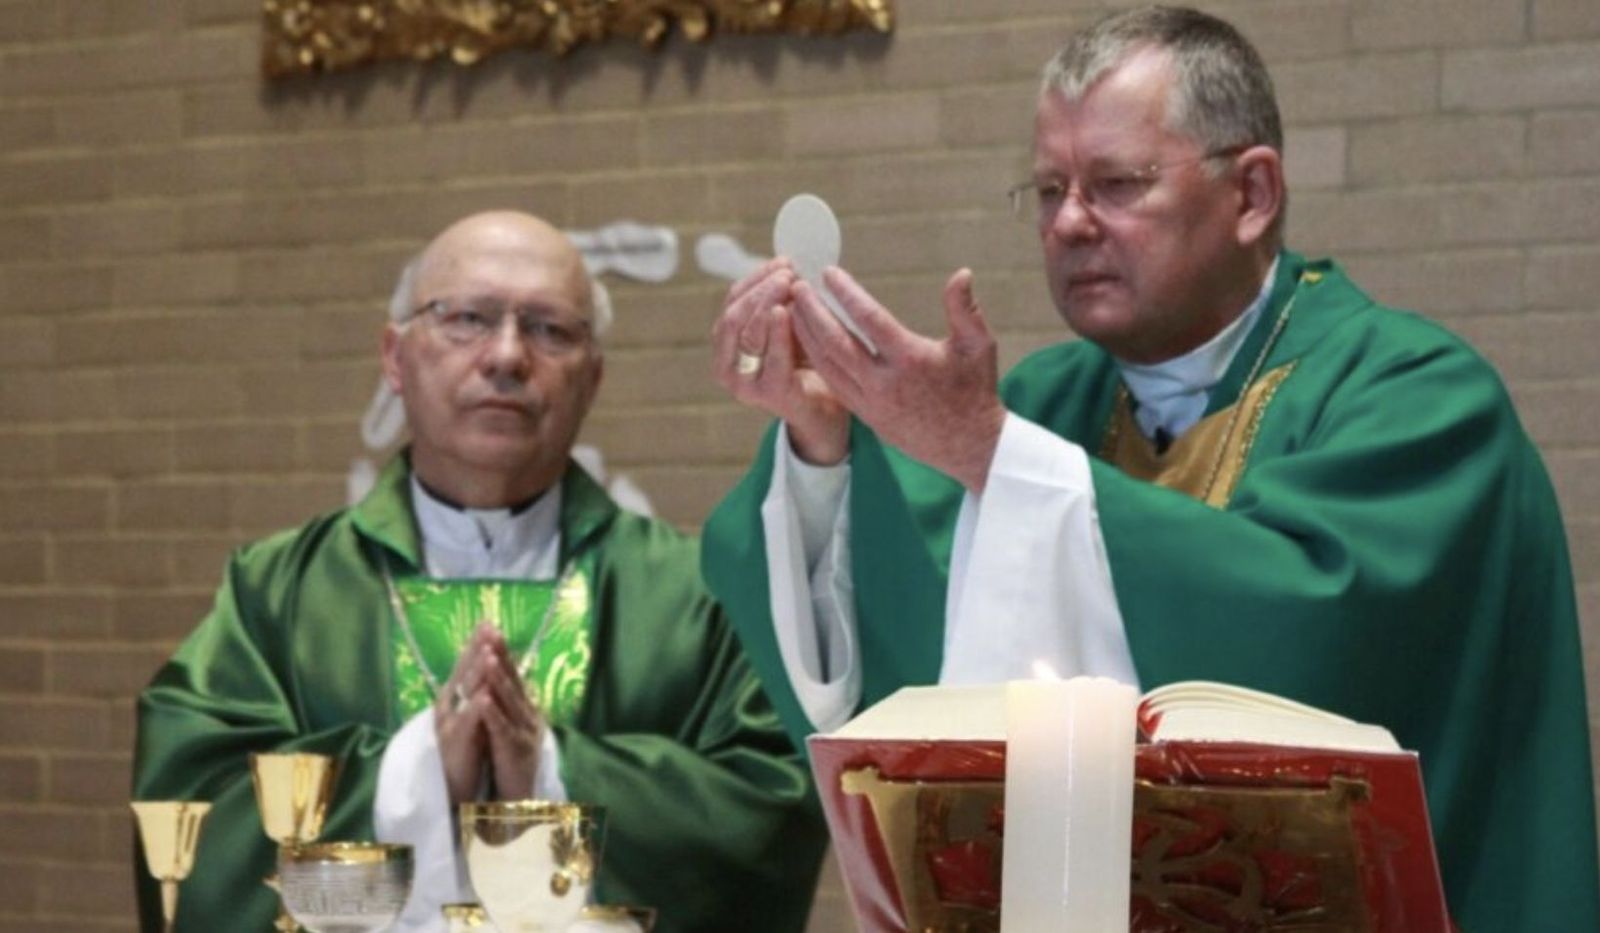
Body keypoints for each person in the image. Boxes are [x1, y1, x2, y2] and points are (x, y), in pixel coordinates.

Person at [701, 7, 1598, 930]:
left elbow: (1318, 640)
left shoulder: (1419, 397)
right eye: (1049, 191)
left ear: (1252, 194)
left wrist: (982, 449)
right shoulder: (1047, 406)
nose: (1071, 223)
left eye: (1117, 184)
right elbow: (917, 661)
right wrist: (823, 444)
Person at [132, 211, 827, 933]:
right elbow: (191, 825)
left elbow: (768, 819)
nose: (506, 355)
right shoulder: (277, 592)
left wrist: (553, 776)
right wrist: (417, 774)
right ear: (395, 358)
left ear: (593, 378)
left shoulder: (695, 595)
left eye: (550, 328)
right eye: (467, 318)